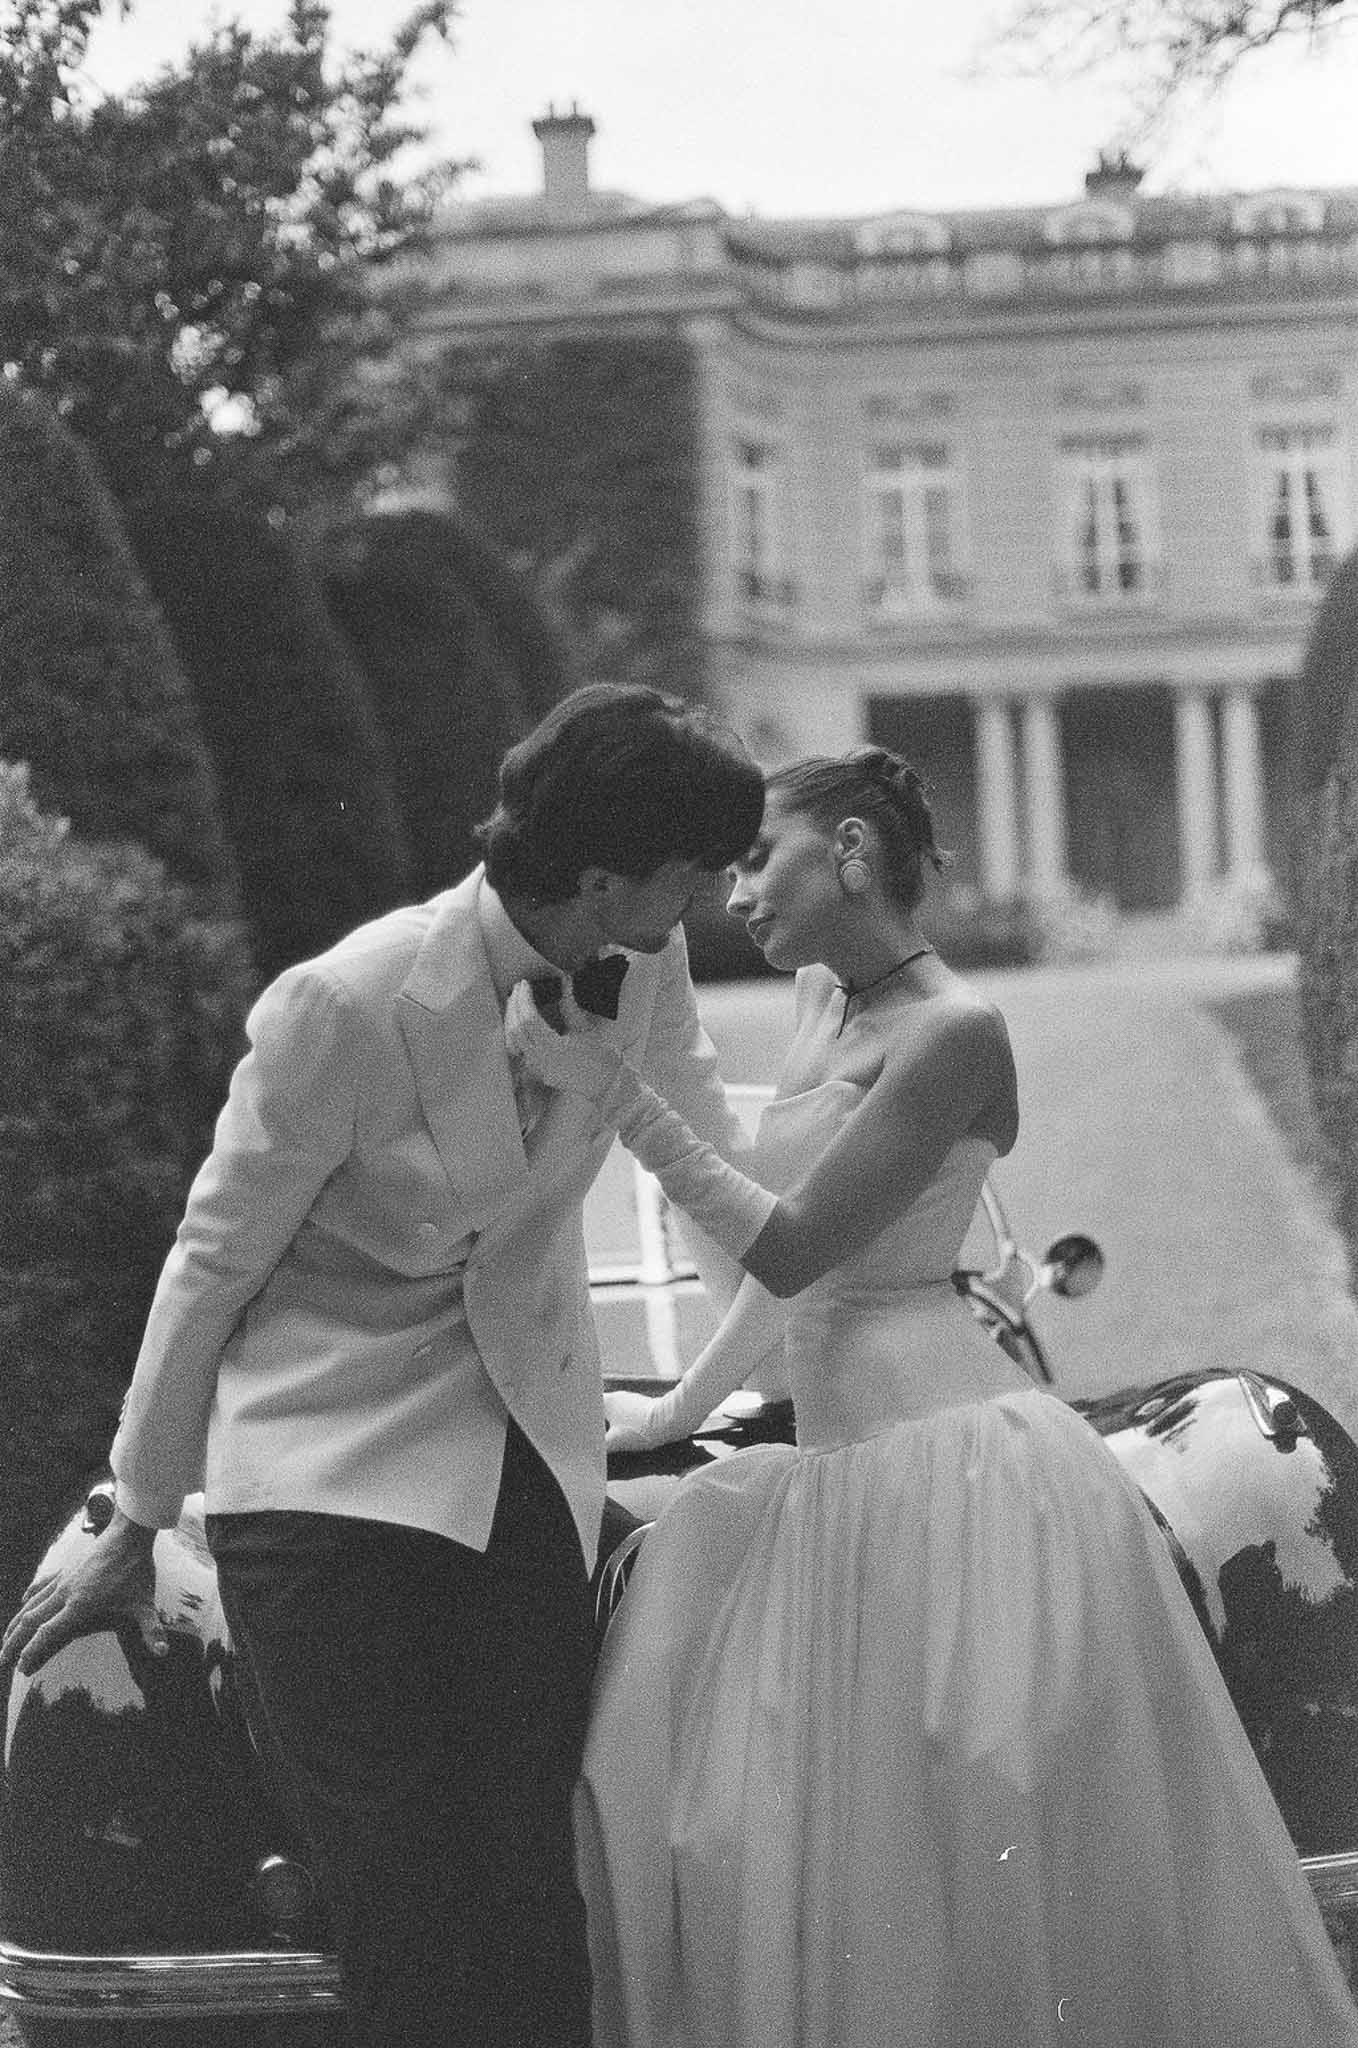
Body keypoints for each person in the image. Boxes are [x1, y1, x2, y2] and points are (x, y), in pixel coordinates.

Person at [506, 744, 1358, 2048]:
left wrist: (605, 1089)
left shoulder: (958, 1033)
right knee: (771, 1824)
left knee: (978, 1832)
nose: (737, 895)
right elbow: (794, 1284)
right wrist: (679, 1411)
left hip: (958, 1471)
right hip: (833, 1468)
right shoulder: (818, 1009)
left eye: (756, 859)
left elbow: (793, 1237)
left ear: (849, 853)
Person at [0, 682, 765, 2048]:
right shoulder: (341, 1004)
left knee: (529, 1870)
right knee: (397, 1886)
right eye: (701, 868)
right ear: (605, 874)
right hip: (320, 1477)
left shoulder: (642, 968)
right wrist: (139, 1510)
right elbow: (212, 1264)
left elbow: (719, 1172)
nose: (716, 891)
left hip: (520, 1460)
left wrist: (778, 1334)